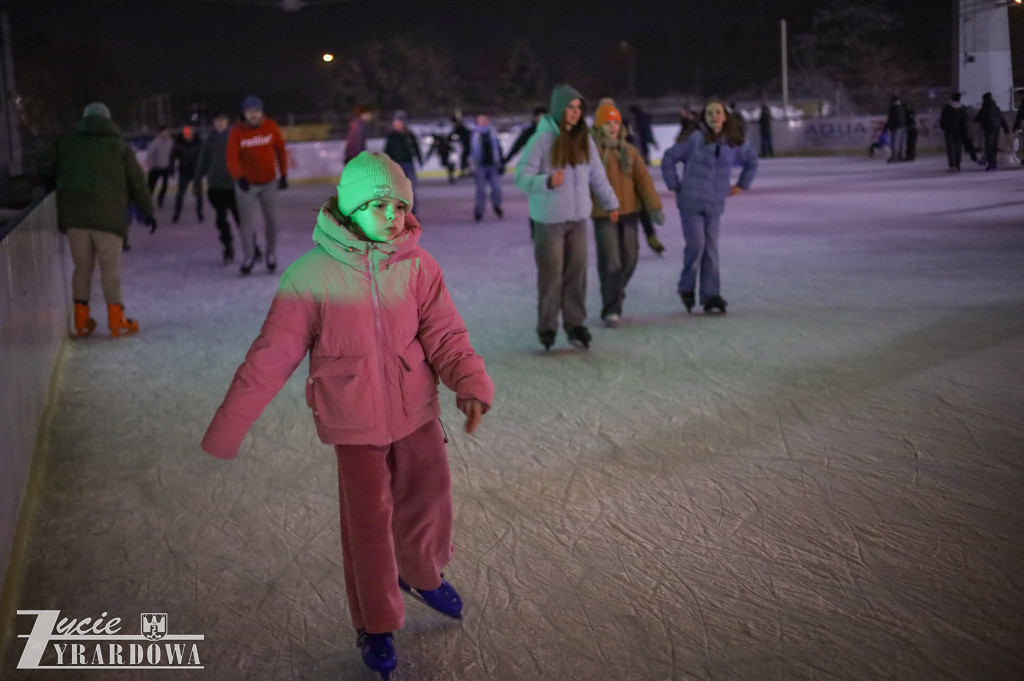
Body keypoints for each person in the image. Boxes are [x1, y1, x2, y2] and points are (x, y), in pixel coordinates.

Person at [201, 151, 494, 681]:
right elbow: (270, 356)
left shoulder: (419, 267)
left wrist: (470, 382)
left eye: (400, 205)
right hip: (354, 422)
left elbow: (447, 336)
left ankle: (423, 572)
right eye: (378, 204)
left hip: (416, 412)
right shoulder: (309, 276)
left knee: (431, 497)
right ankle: (376, 621)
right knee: (367, 525)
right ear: (351, 207)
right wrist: (230, 424)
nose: (392, 215)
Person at [36, 102, 157, 338]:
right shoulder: (119, 146)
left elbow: (41, 166)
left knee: (82, 267)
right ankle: (116, 320)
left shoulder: (66, 143)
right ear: (108, 120)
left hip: (75, 218)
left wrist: (56, 182)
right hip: (109, 218)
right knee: (109, 268)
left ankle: (81, 321)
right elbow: (137, 182)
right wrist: (148, 211)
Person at [514, 84, 620, 351]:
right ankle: (547, 327)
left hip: (578, 219)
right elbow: (521, 177)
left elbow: (597, 175)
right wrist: (547, 181)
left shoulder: (584, 140)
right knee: (551, 276)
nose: (575, 113)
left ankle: (575, 324)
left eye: (578, 108)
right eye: (570, 107)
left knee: (577, 273)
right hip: (549, 221)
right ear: (559, 109)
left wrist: (610, 202)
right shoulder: (541, 140)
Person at [661, 98, 758, 314]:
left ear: (725, 117)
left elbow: (752, 159)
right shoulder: (695, 139)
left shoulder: (732, 143)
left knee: (711, 250)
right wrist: (674, 184)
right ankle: (686, 288)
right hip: (691, 203)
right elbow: (669, 158)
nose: (714, 117)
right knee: (697, 247)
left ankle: (711, 296)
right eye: (710, 113)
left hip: (714, 205)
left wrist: (741, 185)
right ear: (704, 118)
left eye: (718, 112)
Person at [590, 103, 664, 327]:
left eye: (616, 123)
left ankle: (615, 292)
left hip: (630, 212)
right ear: (599, 126)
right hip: (604, 215)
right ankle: (611, 308)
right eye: (608, 123)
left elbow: (644, 182)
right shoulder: (591, 152)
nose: (613, 127)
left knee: (630, 258)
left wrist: (654, 207)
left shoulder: (630, 151)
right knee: (611, 262)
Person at [227, 95, 288, 274]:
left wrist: (283, 174)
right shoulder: (237, 133)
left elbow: (281, 151)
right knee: (246, 223)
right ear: (244, 113)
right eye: (250, 112)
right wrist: (239, 177)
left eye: (257, 111)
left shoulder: (271, 127)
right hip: (246, 185)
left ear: (262, 112)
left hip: (268, 183)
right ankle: (249, 257)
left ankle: (271, 254)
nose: (254, 115)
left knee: (272, 221)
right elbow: (232, 158)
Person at [197, 112, 249, 262]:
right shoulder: (209, 140)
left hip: (233, 185)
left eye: (223, 120)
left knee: (241, 219)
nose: (220, 123)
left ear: (227, 122)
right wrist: (197, 180)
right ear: (213, 122)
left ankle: (253, 248)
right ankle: (228, 248)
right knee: (221, 220)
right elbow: (203, 161)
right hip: (216, 185)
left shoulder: (235, 137)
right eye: (217, 120)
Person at [502, 106, 546, 239]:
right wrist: (506, 159)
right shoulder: (529, 132)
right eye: (539, 117)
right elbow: (517, 145)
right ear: (534, 118)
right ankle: (534, 227)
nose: (541, 119)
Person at [469, 114, 503, 221]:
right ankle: (479, 212)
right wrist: (470, 164)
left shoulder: (492, 133)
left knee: (497, 188)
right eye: (481, 120)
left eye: (485, 120)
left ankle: (496, 205)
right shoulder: (474, 135)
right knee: (481, 191)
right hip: (480, 167)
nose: (484, 122)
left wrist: (501, 161)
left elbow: (498, 148)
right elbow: (469, 150)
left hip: (493, 165)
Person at [383, 111, 422, 200]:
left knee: (410, 189)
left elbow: (416, 147)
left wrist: (419, 159)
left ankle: (410, 211)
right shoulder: (392, 136)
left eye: (399, 122)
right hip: (396, 166)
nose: (397, 124)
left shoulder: (409, 135)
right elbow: (387, 150)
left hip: (408, 164)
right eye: (396, 122)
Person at [171, 125, 204, 223]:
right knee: (180, 195)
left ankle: (200, 214)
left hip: (196, 171)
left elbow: (204, 157)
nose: (188, 135)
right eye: (186, 133)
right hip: (184, 171)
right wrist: (171, 169)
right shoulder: (179, 144)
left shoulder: (199, 143)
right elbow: (172, 157)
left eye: (190, 133)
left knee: (198, 194)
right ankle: (176, 214)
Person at [975, 92, 1009, 171]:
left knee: (989, 147)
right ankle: (993, 162)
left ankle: (992, 163)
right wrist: (1006, 129)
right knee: (994, 146)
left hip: (988, 130)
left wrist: (973, 119)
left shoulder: (984, 108)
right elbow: (1002, 119)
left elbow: (977, 119)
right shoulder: (996, 108)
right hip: (996, 129)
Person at [145, 126, 174, 208]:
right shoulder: (155, 142)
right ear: (160, 133)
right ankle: (147, 201)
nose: (167, 134)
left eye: (168, 132)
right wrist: (151, 166)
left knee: (165, 186)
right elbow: (150, 155)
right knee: (151, 187)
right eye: (165, 132)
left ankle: (160, 200)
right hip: (155, 169)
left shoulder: (170, 142)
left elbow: (173, 154)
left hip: (165, 168)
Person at [940, 93, 968, 172]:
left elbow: (943, 119)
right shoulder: (962, 109)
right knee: (958, 148)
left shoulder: (947, 108)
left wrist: (944, 127)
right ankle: (958, 165)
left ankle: (952, 165)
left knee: (950, 148)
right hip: (959, 132)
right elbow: (965, 122)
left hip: (949, 131)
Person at [884, 95, 908, 163]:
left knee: (895, 143)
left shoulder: (893, 108)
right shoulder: (902, 107)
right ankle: (902, 156)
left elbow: (891, 119)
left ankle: (894, 157)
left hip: (896, 127)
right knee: (902, 143)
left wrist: (886, 127)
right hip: (903, 126)